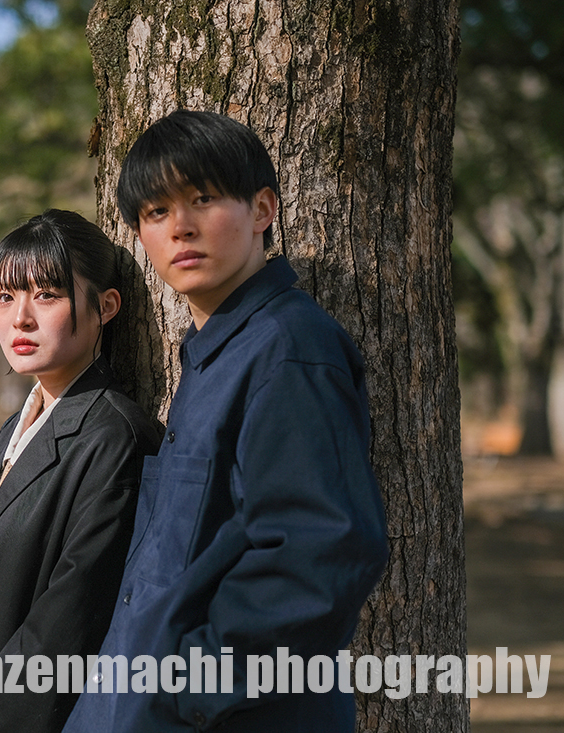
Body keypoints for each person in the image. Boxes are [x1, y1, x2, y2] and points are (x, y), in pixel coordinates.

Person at [63, 110, 389, 732]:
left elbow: (320, 552)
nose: (180, 226)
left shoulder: (287, 349)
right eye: (156, 211)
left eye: (203, 199)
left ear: (262, 209)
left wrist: (189, 690)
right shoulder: (214, 353)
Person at [0, 209, 161, 732]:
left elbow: (66, 627)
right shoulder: (18, 426)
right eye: (4, 296)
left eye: (47, 295)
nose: (20, 318)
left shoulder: (114, 438)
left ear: (106, 306)